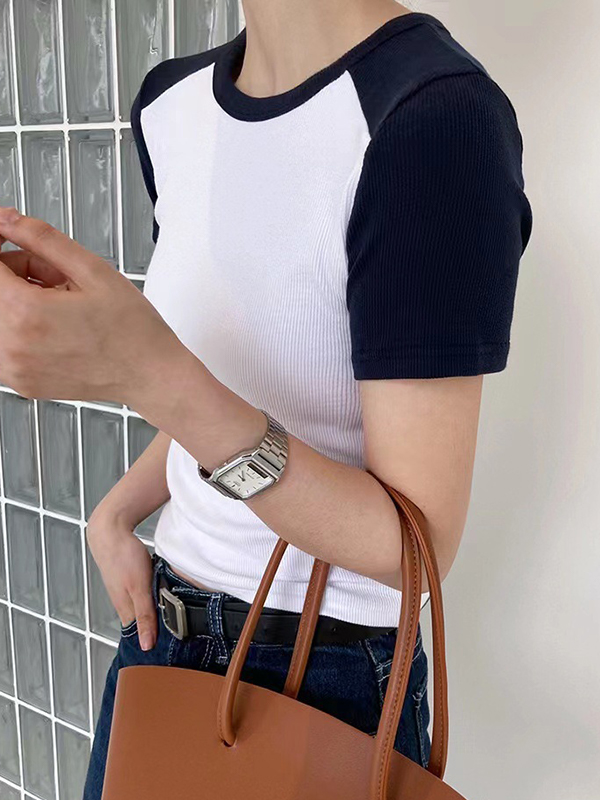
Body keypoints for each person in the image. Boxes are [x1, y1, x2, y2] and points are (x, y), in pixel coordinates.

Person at [0, 1, 532, 797]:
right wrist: (115, 511)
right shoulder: (171, 104)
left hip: (324, 678)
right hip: (160, 635)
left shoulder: (432, 116)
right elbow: (247, 391)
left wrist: (147, 372)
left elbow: (412, 549)